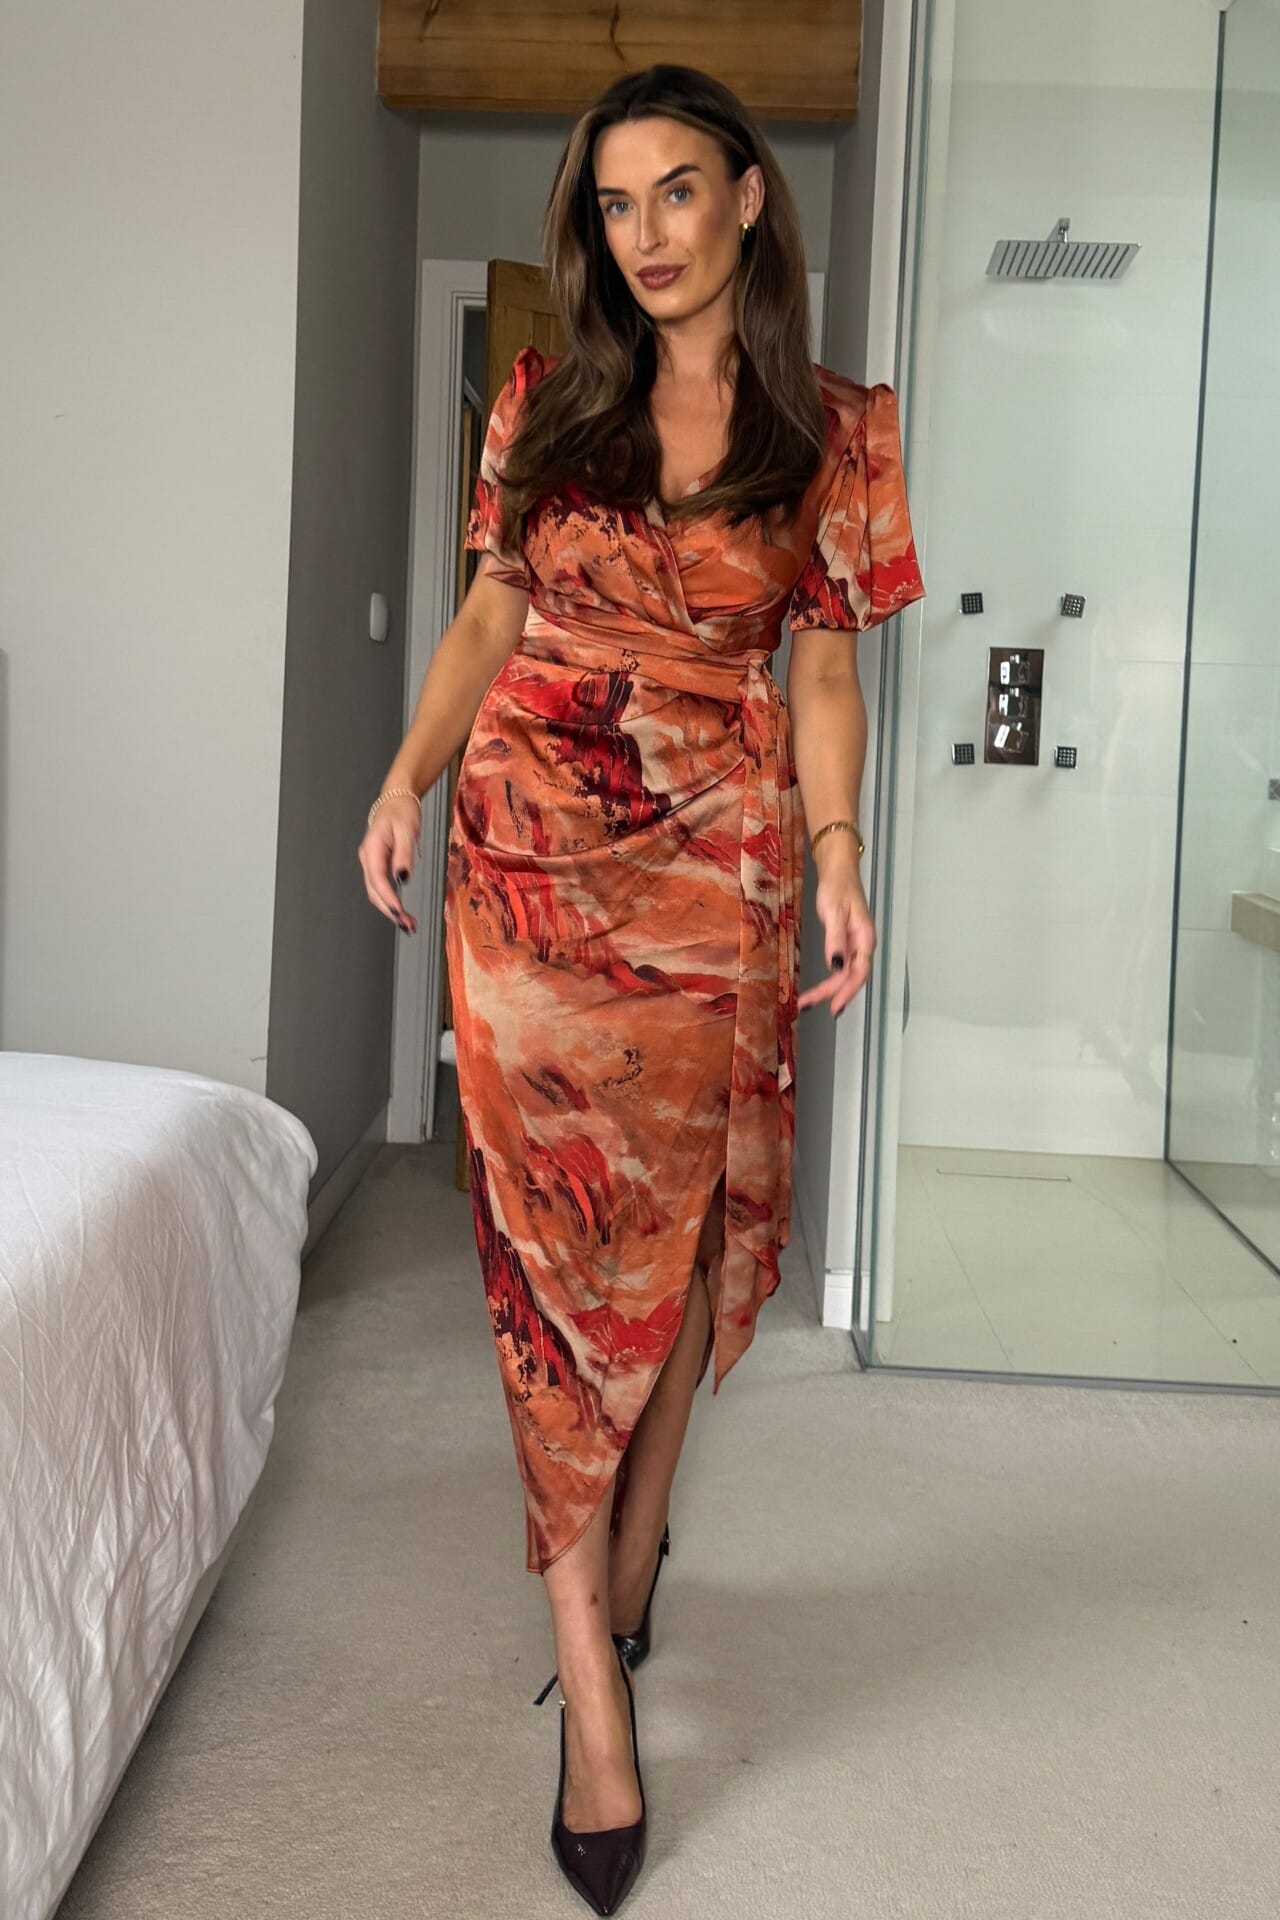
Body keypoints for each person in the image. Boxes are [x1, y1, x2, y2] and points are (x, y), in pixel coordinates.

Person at [357, 62, 925, 1916]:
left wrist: (838, 856)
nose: (648, 234)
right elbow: (490, 613)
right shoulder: (545, 399)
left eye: (679, 190)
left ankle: (642, 1533)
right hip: (527, 869)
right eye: (615, 204)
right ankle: (590, 1685)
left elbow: (824, 670)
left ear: (748, 198)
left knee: (672, 1248)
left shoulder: (838, 432)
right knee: (544, 1266)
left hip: (715, 873)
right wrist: (406, 778)